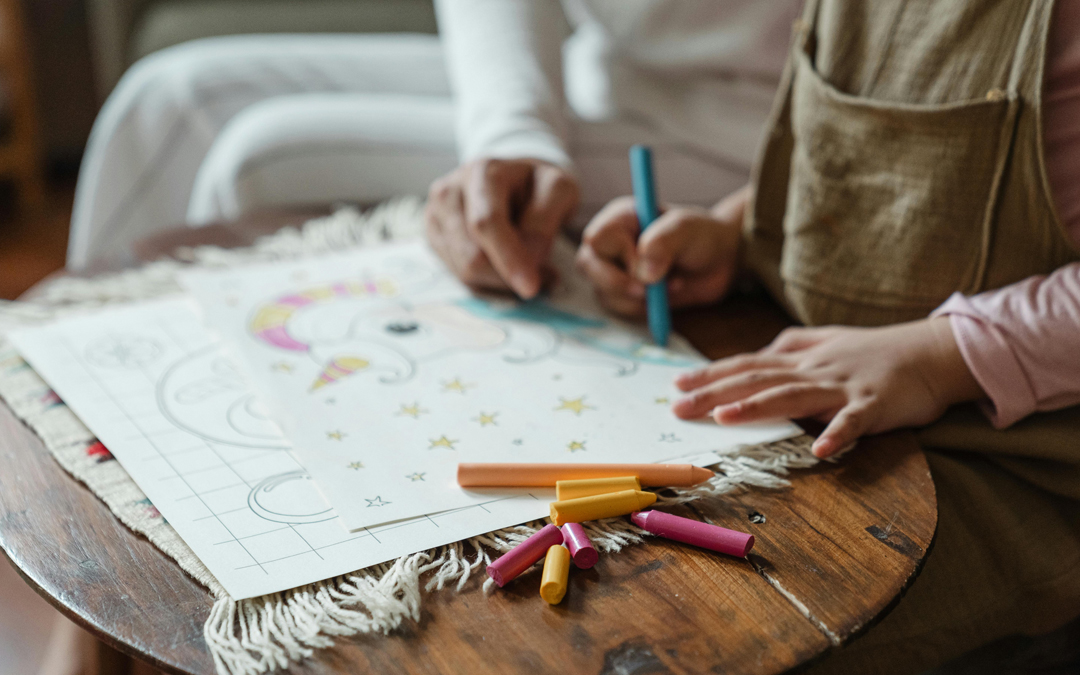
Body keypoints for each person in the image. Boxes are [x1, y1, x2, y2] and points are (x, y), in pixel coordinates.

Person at [573, 1, 1080, 673]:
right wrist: (739, 232)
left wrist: (941, 356)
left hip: (1016, 452)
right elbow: (868, 158)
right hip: (818, 365)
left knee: (707, 642)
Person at [67, 0, 802, 272]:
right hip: (596, 68)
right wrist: (514, 130)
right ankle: (81, 490)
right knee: (165, 98)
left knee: (258, 158)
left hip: (747, 128)